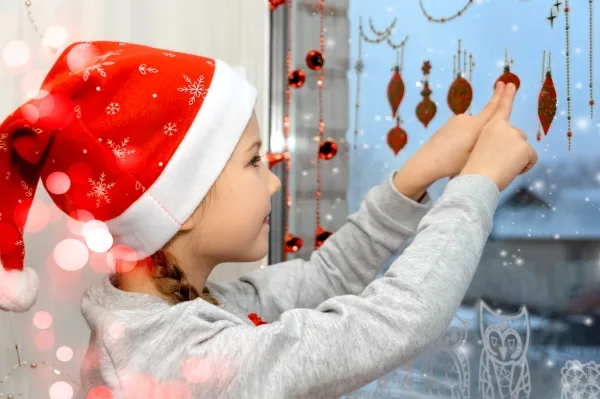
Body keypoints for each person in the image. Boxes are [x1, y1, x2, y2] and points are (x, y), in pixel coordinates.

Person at [0, 41, 537, 398]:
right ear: (180, 206)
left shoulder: (189, 308)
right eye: (255, 161)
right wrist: (475, 188)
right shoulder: (176, 359)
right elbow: (395, 320)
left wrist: (418, 175)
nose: (274, 180)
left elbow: (322, 281)